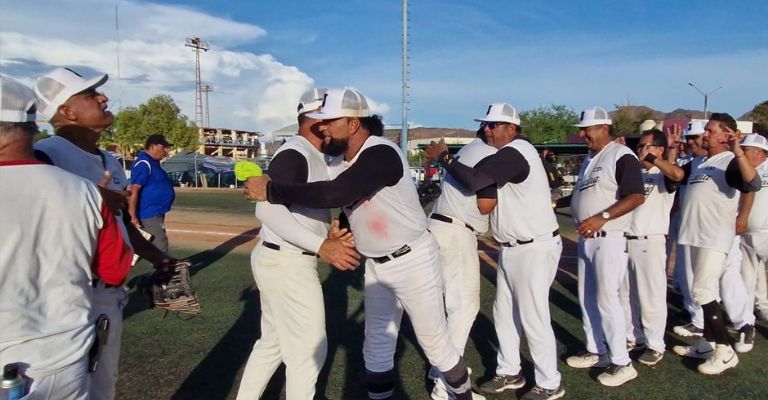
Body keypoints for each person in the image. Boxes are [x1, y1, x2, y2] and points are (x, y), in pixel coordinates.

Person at [245, 87, 484, 400]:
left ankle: (463, 397)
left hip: (413, 260)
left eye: (330, 121)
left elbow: (336, 194)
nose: (323, 127)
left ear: (354, 124)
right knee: (376, 348)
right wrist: (340, 228)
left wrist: (272, 190)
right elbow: (351, 204)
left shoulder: (381, 151)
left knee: (435, 344)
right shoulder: (344, 160)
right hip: (377, 264)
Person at [33, 67, 173, 400]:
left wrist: (159, 258)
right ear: (67, 111)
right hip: (64, 297)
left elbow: (120, 222)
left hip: (108, 294)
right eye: (90, 94)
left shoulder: (110, 159)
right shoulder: (45, 155)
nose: (103, 97)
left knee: (103, 386)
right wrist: (92, 197)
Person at [0, 74, 131, 400]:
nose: (103, 98)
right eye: (89, 93)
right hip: (67, 346)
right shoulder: (75, 182)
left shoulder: (102, 164)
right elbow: (114, 268)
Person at [426, 103, 565, 400]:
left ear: (511, 128)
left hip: (535, 246)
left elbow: (477, 182)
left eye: (493, 125)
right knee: (503, 313)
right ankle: (510, 371)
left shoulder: (518, 151)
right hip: (513, 246)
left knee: (533, 316)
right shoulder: (503, 154)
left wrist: (444, 158)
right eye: (485, 124)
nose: (486, 129)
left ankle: (550, 382)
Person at [236, 88, 360, 400]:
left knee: (272, 344)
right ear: (317, 121)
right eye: (331, 117)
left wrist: (323, 234)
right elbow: (266, 210)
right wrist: (321, 245)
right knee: (309, 351)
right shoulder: (295, 153)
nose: (335, 124)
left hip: (282, 258)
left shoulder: (311, 153)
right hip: (287, 262)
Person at [554, 107, 645, 387]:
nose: (582, 135)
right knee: (588, 298)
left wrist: (602, 217)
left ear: (604, 128)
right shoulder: (591, 158)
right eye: (582, 130)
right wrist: (555, 203)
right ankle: (597, 350)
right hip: (588, 238)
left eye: (587, 130)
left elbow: (636, 195)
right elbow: (581, 195)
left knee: (607, 300)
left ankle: (622, 362)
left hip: (610, 237)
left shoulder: (620, 154)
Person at [672, 113, 760, 375]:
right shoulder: (700, 162)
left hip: (714, 237)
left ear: (726, 135)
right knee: (700, 290)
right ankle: (707, 344)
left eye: (710, 131)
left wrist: (737, 151)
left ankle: (725, 350)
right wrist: (659, 155)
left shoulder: (729, 161)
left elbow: (752, 183)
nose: (705, 134)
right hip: (694, 235)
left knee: (703, 291)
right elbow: (677, 175)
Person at [424, 123, 496, 399]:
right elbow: (485, 204)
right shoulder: (488, 154)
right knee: (463, 307)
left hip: (439, 226)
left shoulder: (468, 150)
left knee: (446, 305)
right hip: (456, 231)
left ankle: (439, 369)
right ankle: (447, 385)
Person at [619, 129, 683, 366]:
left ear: (659, 149)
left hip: (650, 241)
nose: (641, 150)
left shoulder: (662, 174)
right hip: (625, 239)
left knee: (650, 296)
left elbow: (677, 175)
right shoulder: (635, 173)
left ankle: (655, 344)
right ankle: (632, 336)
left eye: (646, 145)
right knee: (624, 294)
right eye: (639, 146)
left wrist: (655, 158)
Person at [128, 134, 176, 252]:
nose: (165, 150)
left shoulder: (154, 163)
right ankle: (163, 264)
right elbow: (134, 189)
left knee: (146, 247)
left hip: (156, 212)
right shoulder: (144, 163)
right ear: (153, 146)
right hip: (148, 213)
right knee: (160, 245)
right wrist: (132, 216)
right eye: (163, 147)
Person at [738, 133, 768, 322]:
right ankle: (746, 320)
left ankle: (762, 306)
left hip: (766, 233)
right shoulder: (741, 169)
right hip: (746, 235)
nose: (741, 153)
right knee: (746, 279)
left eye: (745, 149)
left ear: (759, 152)